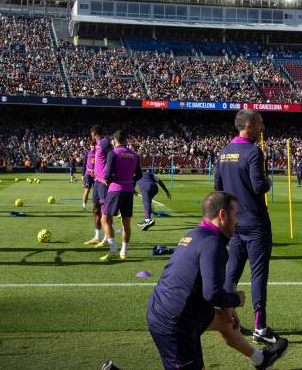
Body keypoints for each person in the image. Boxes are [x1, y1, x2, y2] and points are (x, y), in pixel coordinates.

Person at [144, 191, 289, 370]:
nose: (238, 221)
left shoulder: (195, 234)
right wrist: (236, 299)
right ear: (222, 215)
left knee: (226, 322)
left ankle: (260, 359)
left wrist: (227, 307)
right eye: (236, 215)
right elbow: (211, 294)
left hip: (171, 308)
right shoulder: (214, 244)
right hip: (174, 323)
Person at [214, 109, 282, 346]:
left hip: (233, 225)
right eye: (260, 123)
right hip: (255, 222)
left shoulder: (223, 152)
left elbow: (218, 189)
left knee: (232, 272)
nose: (263, 127)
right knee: (258, 274)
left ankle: (226, 319)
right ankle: (260, 327)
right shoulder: (254, 152)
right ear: (249, 125)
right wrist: (268, 181)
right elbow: (259, 186)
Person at [99, 130, 142, 261]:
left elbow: (107, 174)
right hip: (129, 190)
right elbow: (139, 175)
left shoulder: (113, 153)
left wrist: (108, 179)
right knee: (126, 222)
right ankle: (124, 252)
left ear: (114, 140)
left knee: (105, 219)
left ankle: (113, 250)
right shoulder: (134, 155)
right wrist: (130, 180)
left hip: (115, 189)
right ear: (126, 140)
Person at [89, 125, 113, 250]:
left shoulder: (104, 142)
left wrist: (107, 174)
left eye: (91, 135)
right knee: (95, 208)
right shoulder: (98, 144)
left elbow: (112, 156)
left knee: (105, 211)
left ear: (94, 133)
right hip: (96, 181)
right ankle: (97, 236)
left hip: (103, 182)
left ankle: (106, 238)